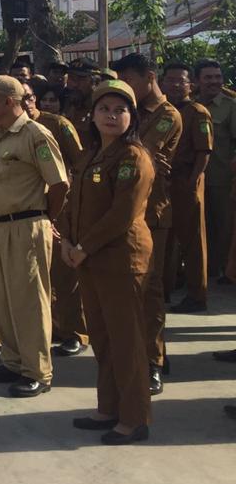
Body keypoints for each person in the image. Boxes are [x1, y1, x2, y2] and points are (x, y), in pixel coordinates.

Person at [59, 80, 155, 445]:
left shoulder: (133, 157)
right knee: (101, 336)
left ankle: (134, 418)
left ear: (132, 117)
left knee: (126, 340)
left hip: (120, 259)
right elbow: (73, 203)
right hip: (88, 257)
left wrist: (84, 246)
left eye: (120, 110)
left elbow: (123, 214)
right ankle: (108, 407)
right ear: (93, 114)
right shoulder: (91, 154)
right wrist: (68, 239)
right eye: (104, 109)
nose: (112, 116)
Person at [0, 75, 69, 397]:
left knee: (30, 301)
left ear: (8, 101)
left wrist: (46, 219)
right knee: (2, 298)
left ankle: (37, 371)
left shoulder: (34, 134)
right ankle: (13, 360)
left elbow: (59, 185)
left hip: (27, 225)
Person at [113, 53, 182, 396]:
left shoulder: (167, 115)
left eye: (131, 80)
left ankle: (152, 361)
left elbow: (139, 153)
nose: (126, 88)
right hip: (127, 212)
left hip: (152, 214)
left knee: (149, 292)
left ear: (149, 76)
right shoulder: (133, 113)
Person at [24, 82, 88, 358]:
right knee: (36, 275)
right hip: (28, 210)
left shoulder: (57, 124)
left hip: (59, 207)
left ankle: (75, 332)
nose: (23, 103)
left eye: (27, 97)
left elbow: (80, 163)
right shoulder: (7, 130)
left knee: (65, 275)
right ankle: (49, 328)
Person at [161, 63, 212, 313]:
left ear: (190, 84)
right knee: (165, 239)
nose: (175, 85)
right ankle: (164, 290)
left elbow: (204, 152)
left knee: (193, 241)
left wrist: (192, 183)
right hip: (163, 182)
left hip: (187, 179)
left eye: (180, 81)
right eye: (170, 80)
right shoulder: (163, 112)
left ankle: (196, 294)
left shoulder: (198, 112)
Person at [193, 59, 235, 282]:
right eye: (208, 77)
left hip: (222, 180)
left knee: (224, 227)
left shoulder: (231, 106)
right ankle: (204, 270)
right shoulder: (189, 106)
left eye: (217, 77)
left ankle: (225, 272)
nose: (214, 82)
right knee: (197, 229)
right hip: (193, 179)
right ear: (197, 80)